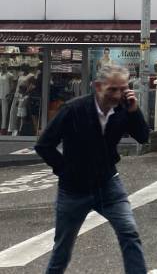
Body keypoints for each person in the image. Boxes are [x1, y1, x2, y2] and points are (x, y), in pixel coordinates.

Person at [34, 64, 150, 274]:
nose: (118, 95)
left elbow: (143, 137)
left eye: (123, 89)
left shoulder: (124, 109)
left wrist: (134, 111)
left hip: (108, 185)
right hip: (74, 190)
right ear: (97, 86)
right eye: (112, 89)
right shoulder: (73, 109)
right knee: (62, 249)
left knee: (129, 233)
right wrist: (66, 171)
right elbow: (44, 145)